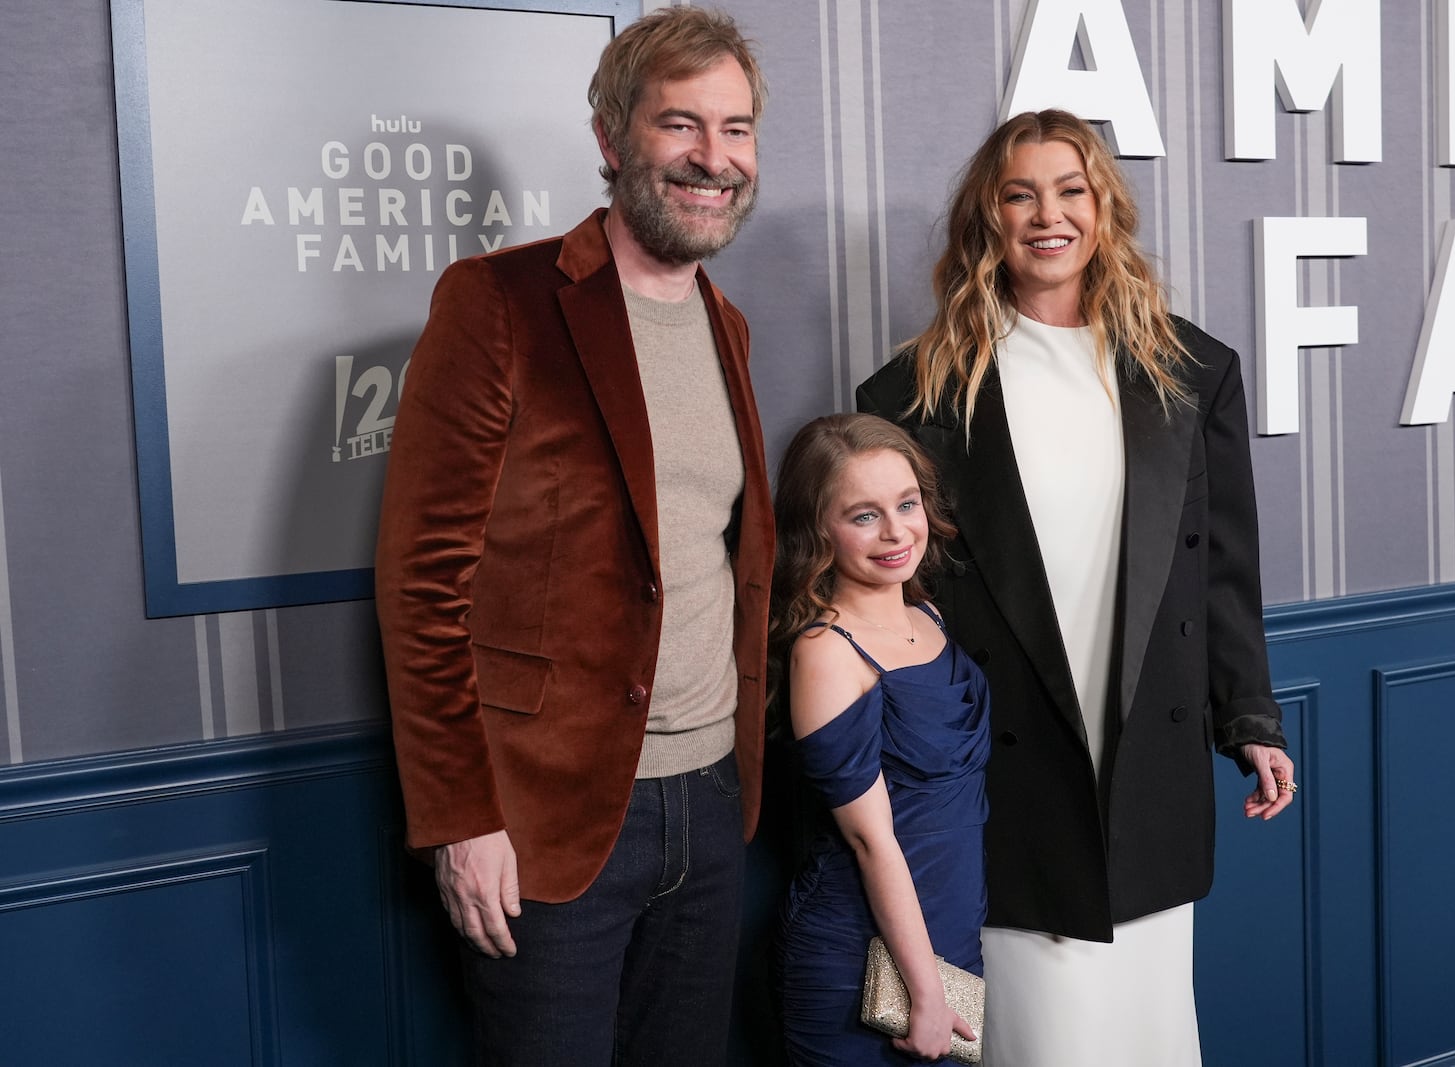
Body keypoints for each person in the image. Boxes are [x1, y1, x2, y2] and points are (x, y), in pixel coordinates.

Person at [372, 8, 773, 1064]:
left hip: (711, 798)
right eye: (680, 125)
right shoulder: (498, 301)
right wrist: (463, 818)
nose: (712, 158)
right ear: (611, 137)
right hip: (549, 818)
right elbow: (423, 582)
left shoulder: (727, 326)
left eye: (735, 130)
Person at [856, 109, 1297, 1065]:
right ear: (990, 217)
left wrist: (1250, 719)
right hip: (1008, 774)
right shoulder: (912, 396)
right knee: (1045, 1041)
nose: (1046, 215)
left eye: (1070, 191)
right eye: (1020, 194)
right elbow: (884, 601)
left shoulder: (1191, 372)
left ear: (1104, 209)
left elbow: (1223, 565)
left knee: (1151, 1032)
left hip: (1149, 761)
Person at [769, 413, 990, 1065]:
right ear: (817, 529)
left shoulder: (930, 615)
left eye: (906, 503)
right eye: (864, 515)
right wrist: (925, 993)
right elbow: (872, 838)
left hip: (949, 937)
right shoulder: (826, 651)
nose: (896, 531)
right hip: (858, 958)